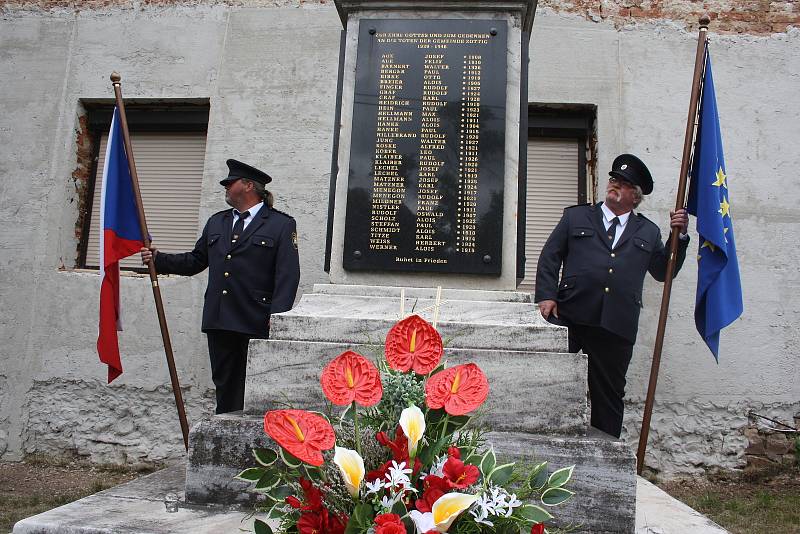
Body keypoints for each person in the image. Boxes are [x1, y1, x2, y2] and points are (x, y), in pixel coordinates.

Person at [534, 154, 690, 438]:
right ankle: (538, 440)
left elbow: (663, 272)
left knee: (608, 396)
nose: (614, 184)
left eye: (624, 182)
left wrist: (677, 239)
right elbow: (549, 257)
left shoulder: (649, 231)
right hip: (570, 315)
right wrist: (547, 296)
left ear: (635, 195)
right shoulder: (577, 216)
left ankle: (605, 460)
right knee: (546, 380)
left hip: (615, 324)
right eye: (613, 178)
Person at [141, 159, 300, 414]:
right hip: (220, 316)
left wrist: (278, 314)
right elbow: (196, 260)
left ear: (248, 186)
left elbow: (287, 274)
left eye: (230, 182)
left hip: (256, 318)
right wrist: (160, 260)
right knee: (225, 383)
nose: (225, 187)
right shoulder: (217, 222)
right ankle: (224, 433)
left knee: (256, 385)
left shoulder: (280, 224)